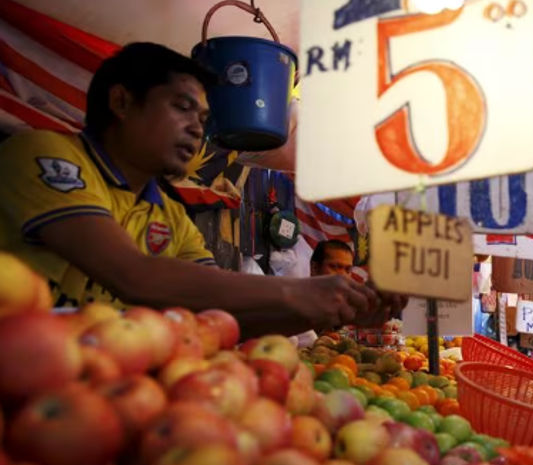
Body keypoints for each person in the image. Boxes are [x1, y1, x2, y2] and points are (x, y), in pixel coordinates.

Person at [0, 43, 404, 336]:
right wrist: (296, 291)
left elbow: (222, 318)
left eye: (204, 117)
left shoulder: (169, 214)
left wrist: (338, 310)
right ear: (121, 102)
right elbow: (132, 274)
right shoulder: (41, 153)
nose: (197, 128)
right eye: (182, 107)